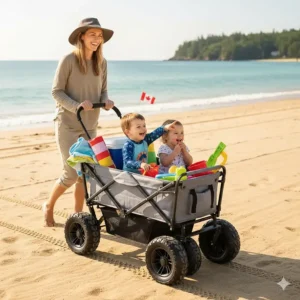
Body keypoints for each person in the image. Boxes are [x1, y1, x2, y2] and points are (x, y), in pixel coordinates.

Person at [43, 18, 114, 227]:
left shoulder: (102, 63)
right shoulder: (68, 60)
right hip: (67, 124)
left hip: (90, 125)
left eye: (99, 35)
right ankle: (48, 205)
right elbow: (56, 91)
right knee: (71, 173)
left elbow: (103, 90)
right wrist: (76, 106)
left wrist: (107, 100)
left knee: (86, 174)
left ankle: (77, 218)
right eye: (92, 34)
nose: (97, 39)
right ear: (81, 36)